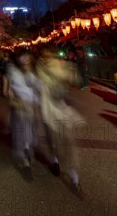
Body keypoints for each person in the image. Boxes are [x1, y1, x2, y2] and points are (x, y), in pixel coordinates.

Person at [36, 46, 85, 197]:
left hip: (48, 109)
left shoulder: (38, 67)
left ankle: (57, 163)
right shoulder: (58, 64)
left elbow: (37, 87)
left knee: (55, 140)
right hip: (59, 108)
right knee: (67, 142)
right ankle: (73, 177)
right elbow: (73, 78)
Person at [7, 50, 42, 169]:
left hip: (30, 107)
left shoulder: (34, 74)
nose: (26, 62)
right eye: (23, 59)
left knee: (28, 130)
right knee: (21, 130)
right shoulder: (15, 73)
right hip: (20, 106)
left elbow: (39, 89)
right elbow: (14, 89)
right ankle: (24, 153)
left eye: (28, 59)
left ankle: (27, 151)